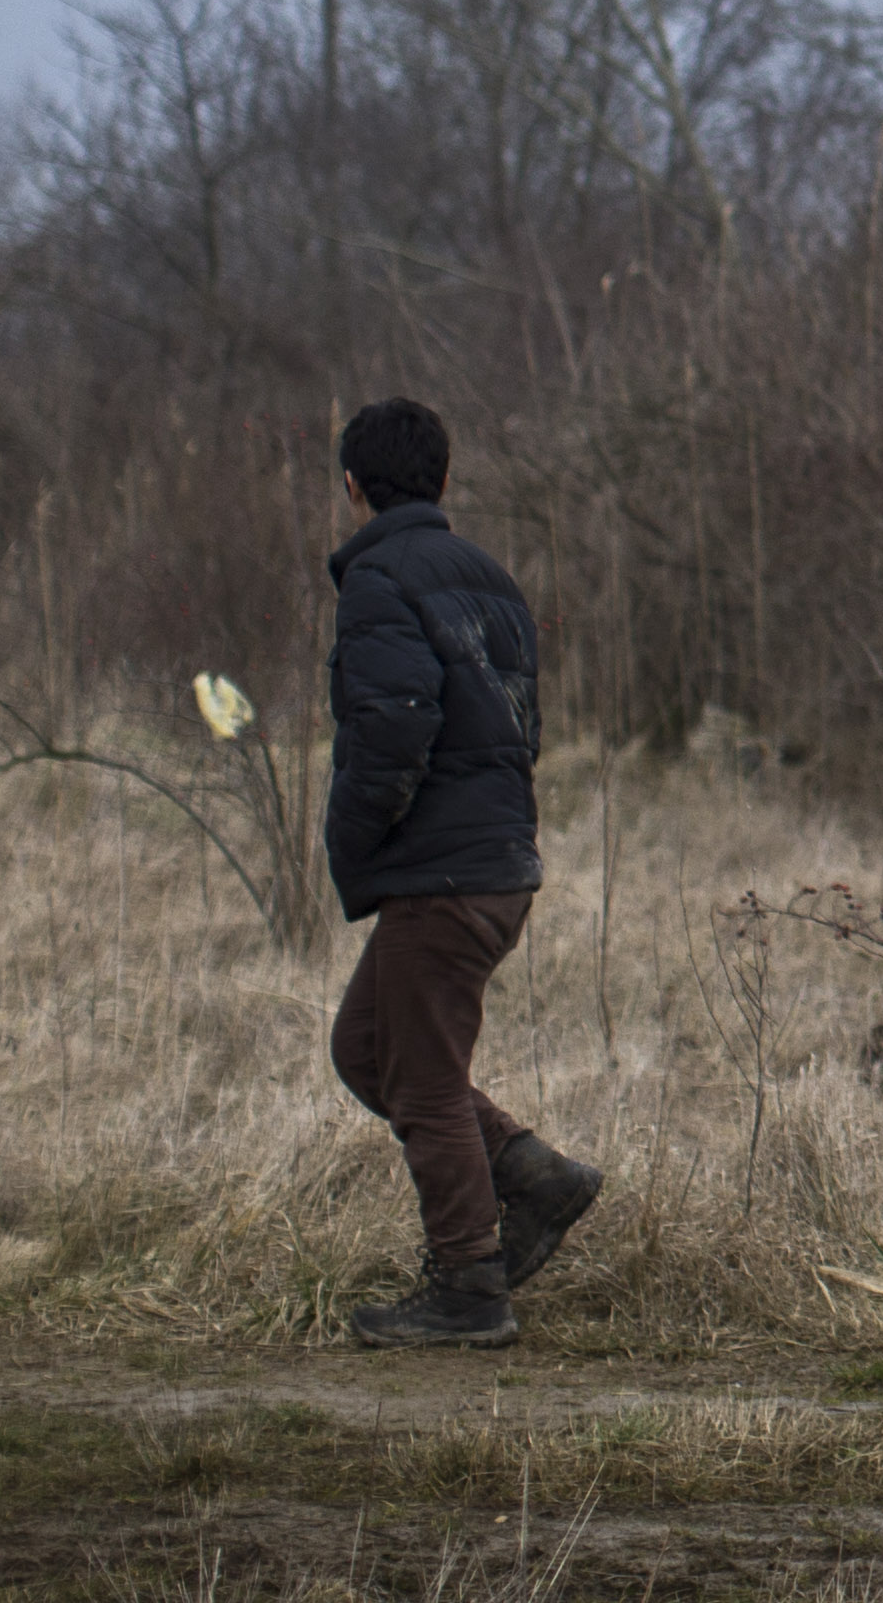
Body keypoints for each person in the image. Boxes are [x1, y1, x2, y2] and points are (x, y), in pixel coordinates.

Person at [320, 397, 599, 1349]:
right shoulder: (489, 576)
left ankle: (469, 1290)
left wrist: (354, 843)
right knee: (366, 1050)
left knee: (426, 1082)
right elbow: (519, 726)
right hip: (497, 862)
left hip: (444, 873)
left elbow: (393, 728)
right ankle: (532, 1176)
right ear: (442, 480)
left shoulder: (378, 580)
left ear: (354, 487)